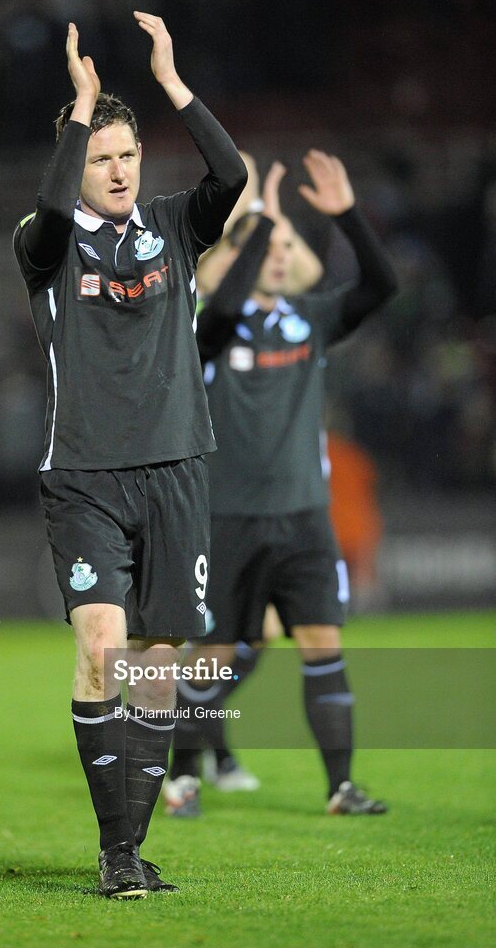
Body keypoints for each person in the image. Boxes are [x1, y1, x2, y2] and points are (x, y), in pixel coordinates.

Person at [12, 13, 247, 898]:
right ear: (77, 162)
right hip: (82, 475)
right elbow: (44, 216)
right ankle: (116, 853)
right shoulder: (44, 243)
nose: (116, 172)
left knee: (156, 665)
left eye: (126, 156)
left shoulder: (176, 228)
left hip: (179, 465)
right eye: (100, 157)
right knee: (103, 646)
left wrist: (174, 82)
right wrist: (78, 112)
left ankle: (130, 849)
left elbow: (232, 174)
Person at [164, 152, 397, 817]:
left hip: (302, 518)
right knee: (213, 654)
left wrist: (346, 216)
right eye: (266, 243)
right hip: (226, 518)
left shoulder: (310, 320)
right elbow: (226, 300)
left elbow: (381, 287)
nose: (277, 253)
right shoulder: (206, 325)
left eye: (285, 244)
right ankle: (183, 770)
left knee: (322, 643)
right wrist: (262, 221)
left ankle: (339, 787)